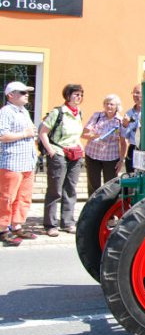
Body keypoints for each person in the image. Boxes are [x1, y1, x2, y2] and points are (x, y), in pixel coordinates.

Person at [39, 84, 85, 237]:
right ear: (68, 96)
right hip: (59, 153)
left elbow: (76, 135)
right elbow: (43, 132)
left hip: (75, 155)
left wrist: (80, 147)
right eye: (76, 94)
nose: (79, 97)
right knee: (55, 190)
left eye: (81, 95)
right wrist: (51, 150)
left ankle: (67, 222)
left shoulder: (79, 113)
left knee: (70, 189)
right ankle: (51, 224)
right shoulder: (57, 112)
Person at [0, 81, 38, 246]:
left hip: (27, 162)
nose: (26, 94)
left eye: (27, 92)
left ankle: (17, 226)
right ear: (11, 95)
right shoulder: (6, 112)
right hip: (12, 161)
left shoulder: (24, 112)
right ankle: (2, 229)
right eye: (22, 92)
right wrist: (25, 133)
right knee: (7, 197)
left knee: (23, 197)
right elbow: (2, 136)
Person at [82, 94, 126, 196]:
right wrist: (96, 135)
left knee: (110, 186)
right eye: (107, 104)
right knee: (93, 186)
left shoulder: (120, 121)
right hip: (92, 155)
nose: (109, 106)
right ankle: (92, 208)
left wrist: (121, 160)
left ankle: (108, 209)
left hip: (111, 157)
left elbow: (123, 143)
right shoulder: (97, 116)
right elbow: (84, 134)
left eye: (111, 104)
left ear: (117, 106)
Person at [121, 84, 142, 173]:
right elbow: (124, 136)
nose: (134, 95)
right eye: (133, 93)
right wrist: (125, 125)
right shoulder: (129, 113)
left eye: (137, 93)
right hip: (133, 148)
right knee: (130, 175)